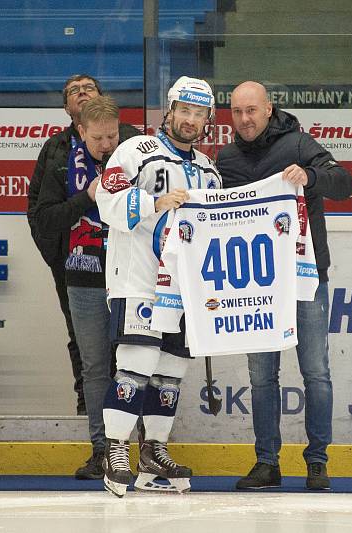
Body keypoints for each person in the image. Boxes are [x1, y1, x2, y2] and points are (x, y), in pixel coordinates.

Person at [216, 81, 352, 491]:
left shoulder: (298, 144)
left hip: (306, 279)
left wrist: (310, 175)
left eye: (252, 110)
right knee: (261, 377)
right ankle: (267, 462)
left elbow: (343, 183)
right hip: (256, 286)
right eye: (237, 112)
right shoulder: (225, 157)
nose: (245, 119)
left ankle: (317, 462)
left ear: (269, 108)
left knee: (316, 373)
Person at [95, 76, 221, 497]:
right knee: (137, 363)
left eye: (198, 113)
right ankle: (115, 449)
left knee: (171, 372)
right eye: (183, 110)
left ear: (207, 119)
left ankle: (153, 450)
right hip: (139, 281)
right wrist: (154, 202)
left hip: (183, 289)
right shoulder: (135, 151)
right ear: (169, 111)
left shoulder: (208, 169)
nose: (189, 119)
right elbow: (107, 201)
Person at [26, 74, 139, 418]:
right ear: (69, 110)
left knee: (133, 351)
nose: (82, 93)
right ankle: (89, 414)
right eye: (74, 91)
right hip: (74, 264)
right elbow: (40, 213)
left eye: (89, 88)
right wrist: (58, 255)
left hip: (130, 267)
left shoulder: (134, 142)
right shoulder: (56, 149)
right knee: (85, 344)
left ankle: (130, 428)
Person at [34, 96, 121, 480]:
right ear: (81, 131)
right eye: (99, 138)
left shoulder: (134, 161)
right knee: (96, 367)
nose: (107, 145)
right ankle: (101, 449)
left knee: (135, 366)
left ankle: (136, 447)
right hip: (83, 277)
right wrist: (87, 197)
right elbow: (47, 220)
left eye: (113, 136)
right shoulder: (59, 166)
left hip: (128, 278)